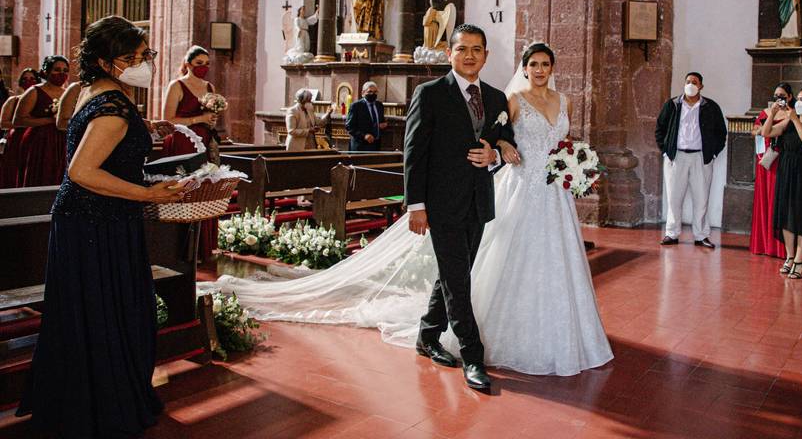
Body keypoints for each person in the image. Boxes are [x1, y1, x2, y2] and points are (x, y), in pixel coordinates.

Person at [204, 37, 613, 381]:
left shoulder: (493, 97)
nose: (470, 56)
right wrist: (415, 205)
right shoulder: (430, 93)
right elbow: (413, 154)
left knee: (458, 273)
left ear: (487, 56)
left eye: (477, 50)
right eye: (462, 49)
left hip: (482, 201)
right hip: (443, 202)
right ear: (451, 53)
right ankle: (472, 353)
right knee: (457, 278)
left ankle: (427, 333)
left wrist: (499, 150)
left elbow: (501, 138)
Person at [15, 15, 187, 437]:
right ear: (106, 61)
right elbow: (82, 171)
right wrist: (149, 194)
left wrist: (140, 137)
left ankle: (82, 397)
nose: (143, 63)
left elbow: (105, 151)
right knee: (107, 311)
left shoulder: (95, 92)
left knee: (90, 313)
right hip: (97, 223)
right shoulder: (112, 107)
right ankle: (103, 404)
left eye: (145, 55)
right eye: (133, 57)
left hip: (88, 220)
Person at [655, 72, 727, 248]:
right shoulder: (672, 105)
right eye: (688, 81)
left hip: (701, 158)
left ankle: (701, 235)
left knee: (701, 198)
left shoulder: (711, 107)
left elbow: (721, 133)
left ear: (701, 86)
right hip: (676, 156)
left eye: (694, 82)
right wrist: (666, 151)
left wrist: (713, 153)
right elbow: (660, 128)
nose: (690, 84)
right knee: (674, 197)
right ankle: (671, 233)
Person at [763, 86, 802, 279]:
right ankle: (790, 256)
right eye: (797, 98)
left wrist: (795, 120)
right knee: (786, 214)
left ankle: (800, 259)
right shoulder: (788, 122)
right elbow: (767, 133)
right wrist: (772, 114)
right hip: (786, 171)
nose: (798, 102)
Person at [162, 45, 219, 259]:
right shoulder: (177, 86)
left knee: (203, 190)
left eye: (207, 64)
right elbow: (168, 120)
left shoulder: (209, 86)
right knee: (184, 189)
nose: (204, 68)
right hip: (182, 142)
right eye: (199, 64)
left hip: (204, 141)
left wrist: (211, 120)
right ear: (188, 64)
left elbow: (210, 115)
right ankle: (179, 246)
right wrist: (199, 119)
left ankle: (202, 247)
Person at [749, 83, 792, 258]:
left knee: (779, 201)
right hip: (766, 159)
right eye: (775, 95)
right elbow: (755, 131)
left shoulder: (793, 114)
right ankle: (764, 243)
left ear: (789, 97)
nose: (778, 98)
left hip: (783, 159)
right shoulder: (765, 113)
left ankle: (782, 247)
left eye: (782, 95)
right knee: (765, 199)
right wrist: (759, 130)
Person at [15, 56, 69, 187]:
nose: (62, 74)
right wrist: (50, 120)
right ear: (46, 71)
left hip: (62, 141)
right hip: (39, 141)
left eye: (65, 70)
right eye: (57, 69)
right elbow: (18, 120)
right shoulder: (34, 91)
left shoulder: (68, 93)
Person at [0, 68, 40, 188]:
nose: (29, 81)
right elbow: (3, 123)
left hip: (36, 140)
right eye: (25, 79)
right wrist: (25, 123)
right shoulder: (14, 99)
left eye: (32, 79)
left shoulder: (41, 100)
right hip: (17, 139)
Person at [345, 81, 386, 151]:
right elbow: (349, 126)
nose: (372, 94)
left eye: (375, 92)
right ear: (363, 93)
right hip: (360, 146)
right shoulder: (356, 106)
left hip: (376, 145)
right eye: (370, 92)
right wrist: (364, 136)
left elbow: (381, 121)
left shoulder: (379, 105)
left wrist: (383, 124)